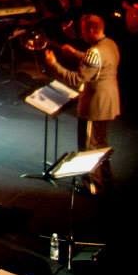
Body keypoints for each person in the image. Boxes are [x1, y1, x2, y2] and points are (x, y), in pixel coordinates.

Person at [43, 14, 120, 194]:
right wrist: (75, 53)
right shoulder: (110, 44)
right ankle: (106, 179)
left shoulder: (94, 52)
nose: (81, 34)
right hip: (109, 100)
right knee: (101, 144)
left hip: (95, 105)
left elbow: (77, 79)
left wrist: (54, 64)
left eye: (83, 30)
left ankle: (92, 185)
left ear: (92, 30)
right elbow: (97, 62)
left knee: (88, 147)